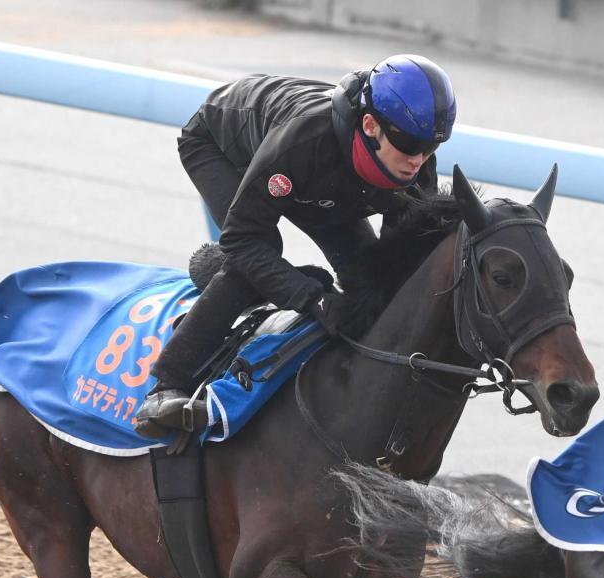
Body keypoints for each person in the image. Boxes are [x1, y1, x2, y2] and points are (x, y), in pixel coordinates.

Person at [132, 54, 457, 439]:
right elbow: (244, 239)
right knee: (256, 257)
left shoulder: (415, 165)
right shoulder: (304, 141)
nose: (417, 160)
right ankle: (166, 382)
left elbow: (401, 268)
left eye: (430, 146)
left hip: (326, 183)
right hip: (225, 147)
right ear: (370, 125)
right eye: (407, 143)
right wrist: (311, 298)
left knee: (369, 277)